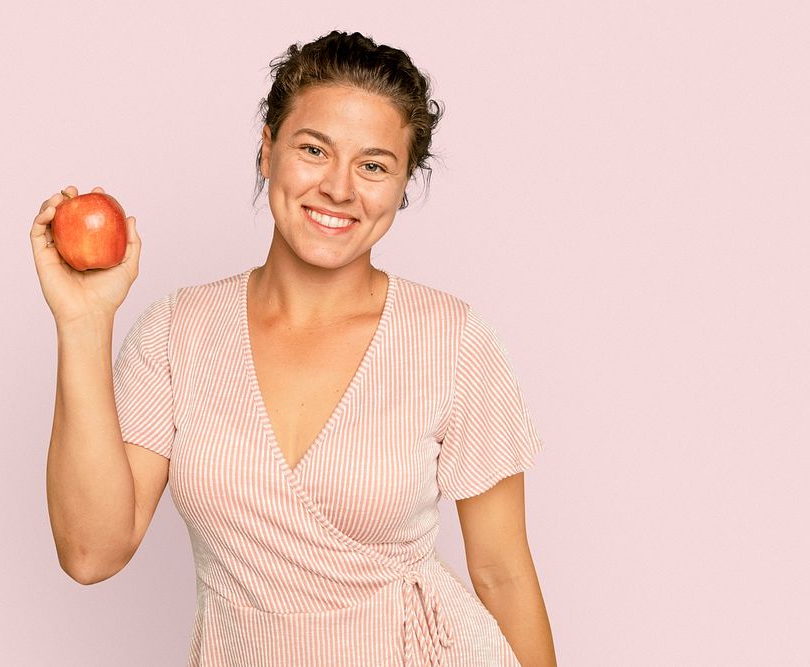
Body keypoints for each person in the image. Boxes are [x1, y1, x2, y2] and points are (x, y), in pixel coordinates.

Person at [31, 30, 556, 667]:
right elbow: (91, 552)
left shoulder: (453, 340)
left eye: (373, 165)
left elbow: (502, 573)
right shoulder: (177, 332)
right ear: (267, 151)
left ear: (401, 186)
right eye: (314, 149)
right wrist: (84, 322)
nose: (339, 187)